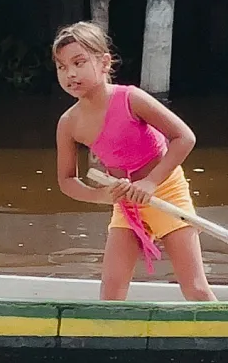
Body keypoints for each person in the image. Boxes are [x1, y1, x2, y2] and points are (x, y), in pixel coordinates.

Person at [53, 21, 216, 301]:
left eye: (79, 63)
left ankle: (227, 339)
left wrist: (151, 182)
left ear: (104, 63)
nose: (70, 74)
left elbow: (184, 138)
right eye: (61, 67)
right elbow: (66, 180)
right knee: (112, 292)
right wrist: (101, 196)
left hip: (166, 192)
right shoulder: (69, 123)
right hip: (125, 202)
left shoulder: (131, 98)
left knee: (195, 288)